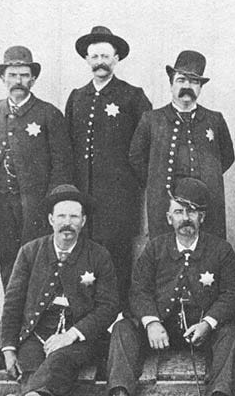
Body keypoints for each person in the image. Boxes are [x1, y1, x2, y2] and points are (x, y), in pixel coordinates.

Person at [106, 178, 235, 396]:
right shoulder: (155, 248)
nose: (185, 218)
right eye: (179, 212)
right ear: (169, 219)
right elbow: (139, 290)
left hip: (203, 332)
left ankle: (219, 392)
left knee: (230, 333)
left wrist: (208, 323)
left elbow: (233, 293)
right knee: (123, 328)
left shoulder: (221, 250)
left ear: (202, 217)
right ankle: (120, 391)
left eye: (192, 211)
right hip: (161, 331)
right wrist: (151, 322)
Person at [0, 45, 73, 288]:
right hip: (1, 205)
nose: (18, 81)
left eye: (24, 75)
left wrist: (54, 203)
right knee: (8, 261)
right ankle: (11, 312)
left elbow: (62, 165)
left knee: (37, 260)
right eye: (12, 75)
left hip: (36, 207)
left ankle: (35, 313)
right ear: (3, 78)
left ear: (33, 79)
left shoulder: (48, 114)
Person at [0, 184, 119, 396]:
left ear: (83, 221)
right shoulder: (29, 252)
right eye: (61, 216)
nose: (67, 223)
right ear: (51, 220)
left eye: (74, 217)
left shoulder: (99, 256)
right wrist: (8, 349)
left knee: (60, 360)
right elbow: (13, 303)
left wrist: (71, 335)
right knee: (30, 368)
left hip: (80, 338)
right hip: (35, 335)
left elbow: (108, 307)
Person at [65, 26, 152, 309]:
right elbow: (68, 148)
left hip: (119, 201)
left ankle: (118, 320)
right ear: (87, 60)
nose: (100, 61)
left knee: (117, 262)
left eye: (105, 56)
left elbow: (147, 145)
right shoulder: (77, 97)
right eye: (94, 56)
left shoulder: (132, 96)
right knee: (83, 261)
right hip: (83, 198)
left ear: (116, 59)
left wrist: (135, 185)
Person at [129, 50, 234, 240]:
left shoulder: (214, 119)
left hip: (206, 204)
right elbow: (136, 158)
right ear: (171, 84)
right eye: (181, 80)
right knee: (165, 249)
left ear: (200, 87)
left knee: (209, 248)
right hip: (165, 203)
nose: (187, 86)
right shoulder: (152, 120)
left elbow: (227, 157)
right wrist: (156, 181)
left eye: (194, 81)